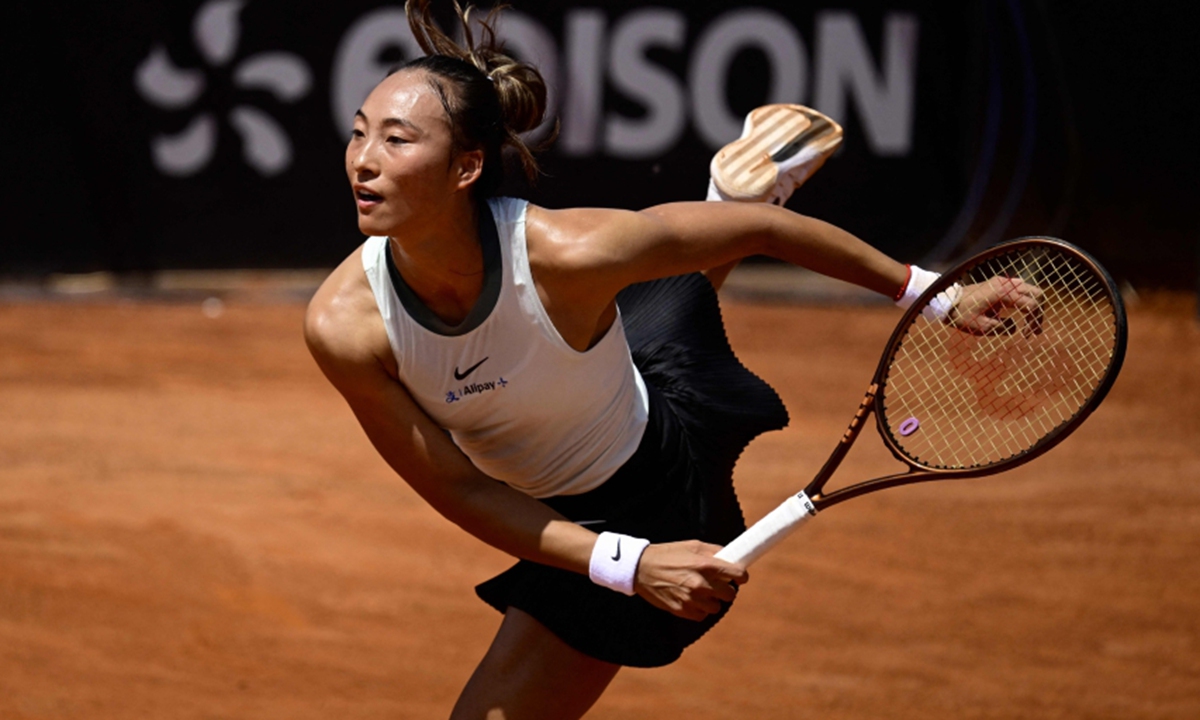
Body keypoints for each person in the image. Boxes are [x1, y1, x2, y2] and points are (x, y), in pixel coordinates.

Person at [305, 2, 1030, 717]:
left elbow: (768, 231)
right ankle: (719, 199)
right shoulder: (347, 326)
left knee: (690, 265)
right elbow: (459, 489)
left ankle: (724, 205)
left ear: (467, 167)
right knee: (659, 309)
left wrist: (938, 298)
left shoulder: (569, 254)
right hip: (602, 398)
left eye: (397, 141)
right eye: (359, 134)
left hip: (649, 481)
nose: (363, 162)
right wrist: (627, 564)